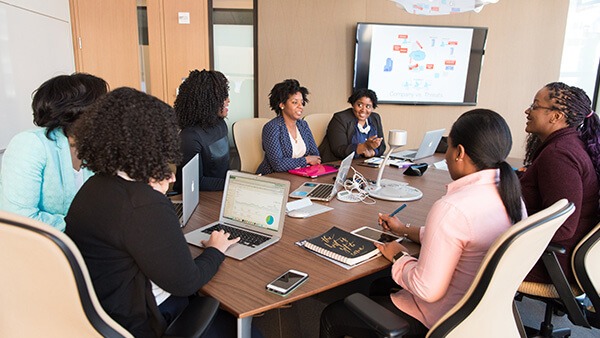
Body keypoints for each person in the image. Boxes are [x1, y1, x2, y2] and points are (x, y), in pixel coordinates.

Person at [320, 109, 525, 336]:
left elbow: (426, 290)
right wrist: (404, 230)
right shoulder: (512, 197)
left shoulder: (452, 208)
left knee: (332, 314)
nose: (446, 156)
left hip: (442, 320)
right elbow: (459, 239)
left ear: (460, 153)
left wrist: (399, 254)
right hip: (482, 315)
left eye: (449, 147)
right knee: (379, 284)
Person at [64, 87, 243, 337]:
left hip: (103, 313)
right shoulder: (142, 204)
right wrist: (215, 249)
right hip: (144, 320)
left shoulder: (93, 187)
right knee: (245, 329)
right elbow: (186, 282)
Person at [0, 73, 108, 231]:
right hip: (41, 246)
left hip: (86, 241)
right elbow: (20, 218)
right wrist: (83, 226)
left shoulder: (95, 145)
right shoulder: (30, 144)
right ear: (78, 110)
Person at [520, 82, 600, 285]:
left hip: (553, 264)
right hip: (561, 257)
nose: (528, 110)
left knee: (465, 251)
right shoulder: (567, 144)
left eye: (535, 106)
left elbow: (563, 227)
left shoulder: (559, 155)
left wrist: (506, 234)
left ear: (556, 116)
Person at [173, 69, 230, 192]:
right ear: (207, 101)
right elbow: (196, 182)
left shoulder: (221, 124)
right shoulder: (190, 137)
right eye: (222, 97)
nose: (228, 100)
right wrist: (233, 184)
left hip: (220, 192)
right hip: (195, 197)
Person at [256, 79, 321, 175]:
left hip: (300, 175)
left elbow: (316, 156)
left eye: (302, 102)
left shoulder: (303, 125)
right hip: (275, 178)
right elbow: (278, 164)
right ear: (282, 105)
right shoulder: (272, 127)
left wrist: (307, 161)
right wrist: (306, 160)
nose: (301, 106)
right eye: (295, 102)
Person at [319, 88, 386, 162]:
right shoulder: (340, 118)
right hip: (338, 164)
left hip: (364, 163)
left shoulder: (375, 118)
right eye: (359, 105)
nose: (363, 110)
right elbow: (339, 150)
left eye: (368, 106)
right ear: (353, 104)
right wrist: (364, 146)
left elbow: (382, 146)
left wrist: (373, 152)